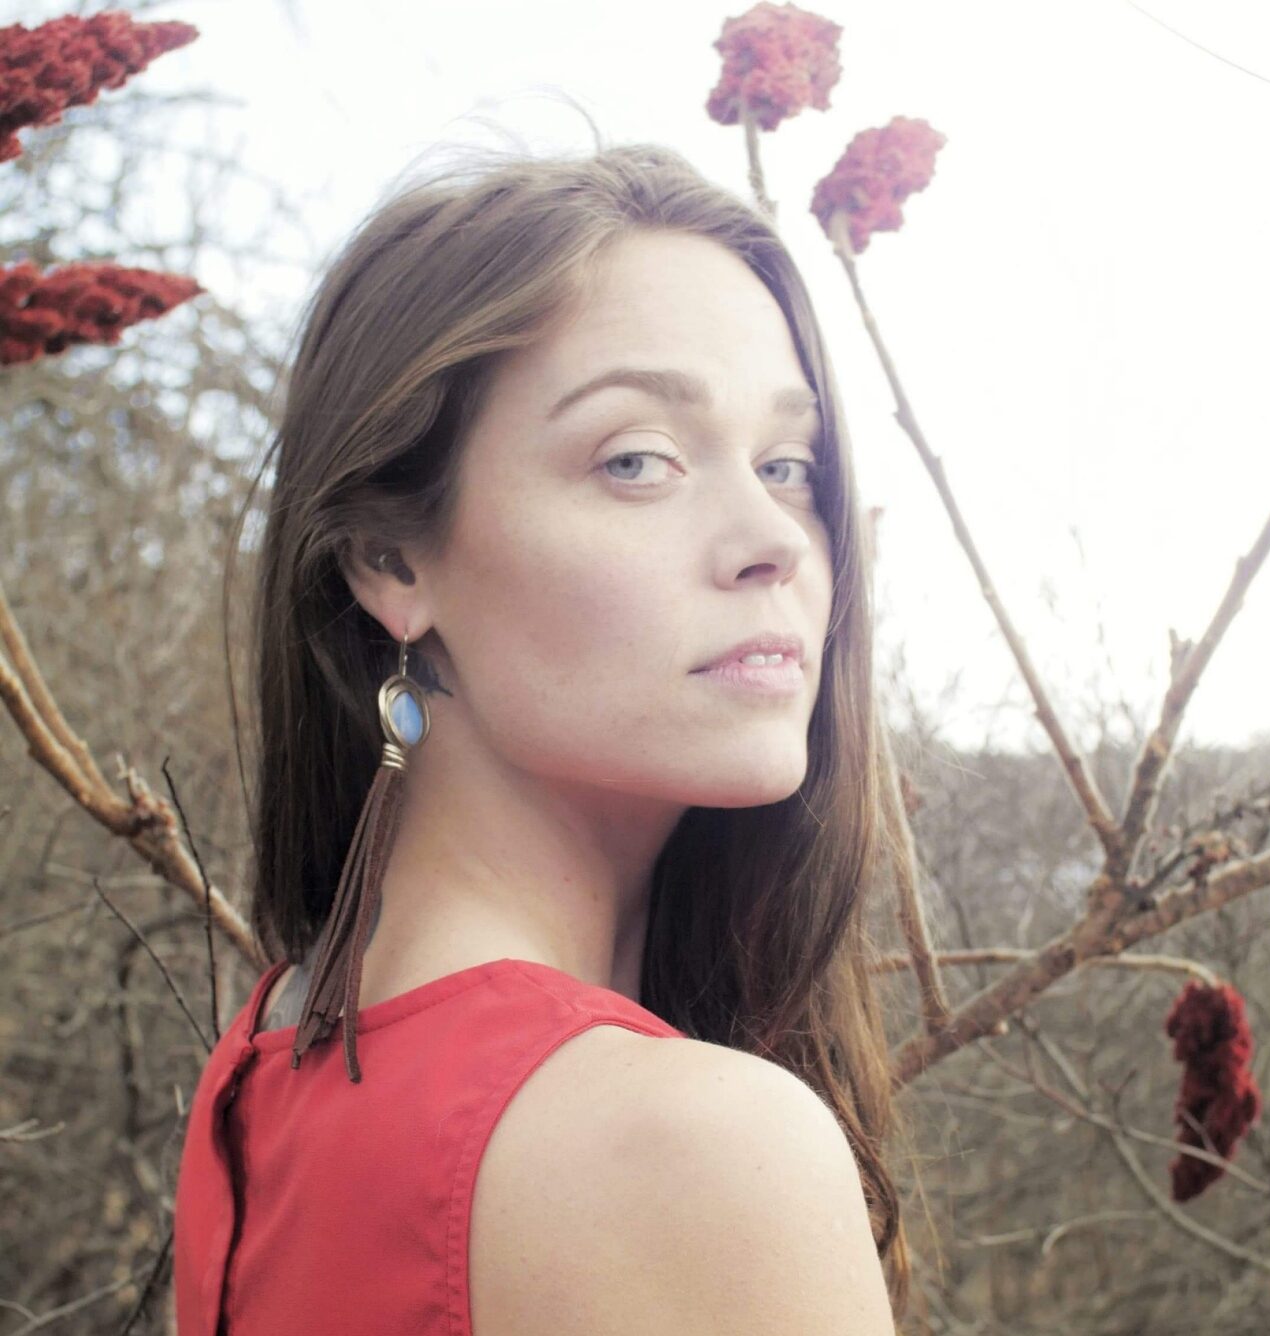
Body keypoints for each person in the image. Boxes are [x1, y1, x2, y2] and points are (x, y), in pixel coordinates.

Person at [173, 139, 915, 1335]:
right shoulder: (699, 1146)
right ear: (390, 559)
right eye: (636, 461)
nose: (770, 537)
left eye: (788, 464)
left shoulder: (266, 1056)